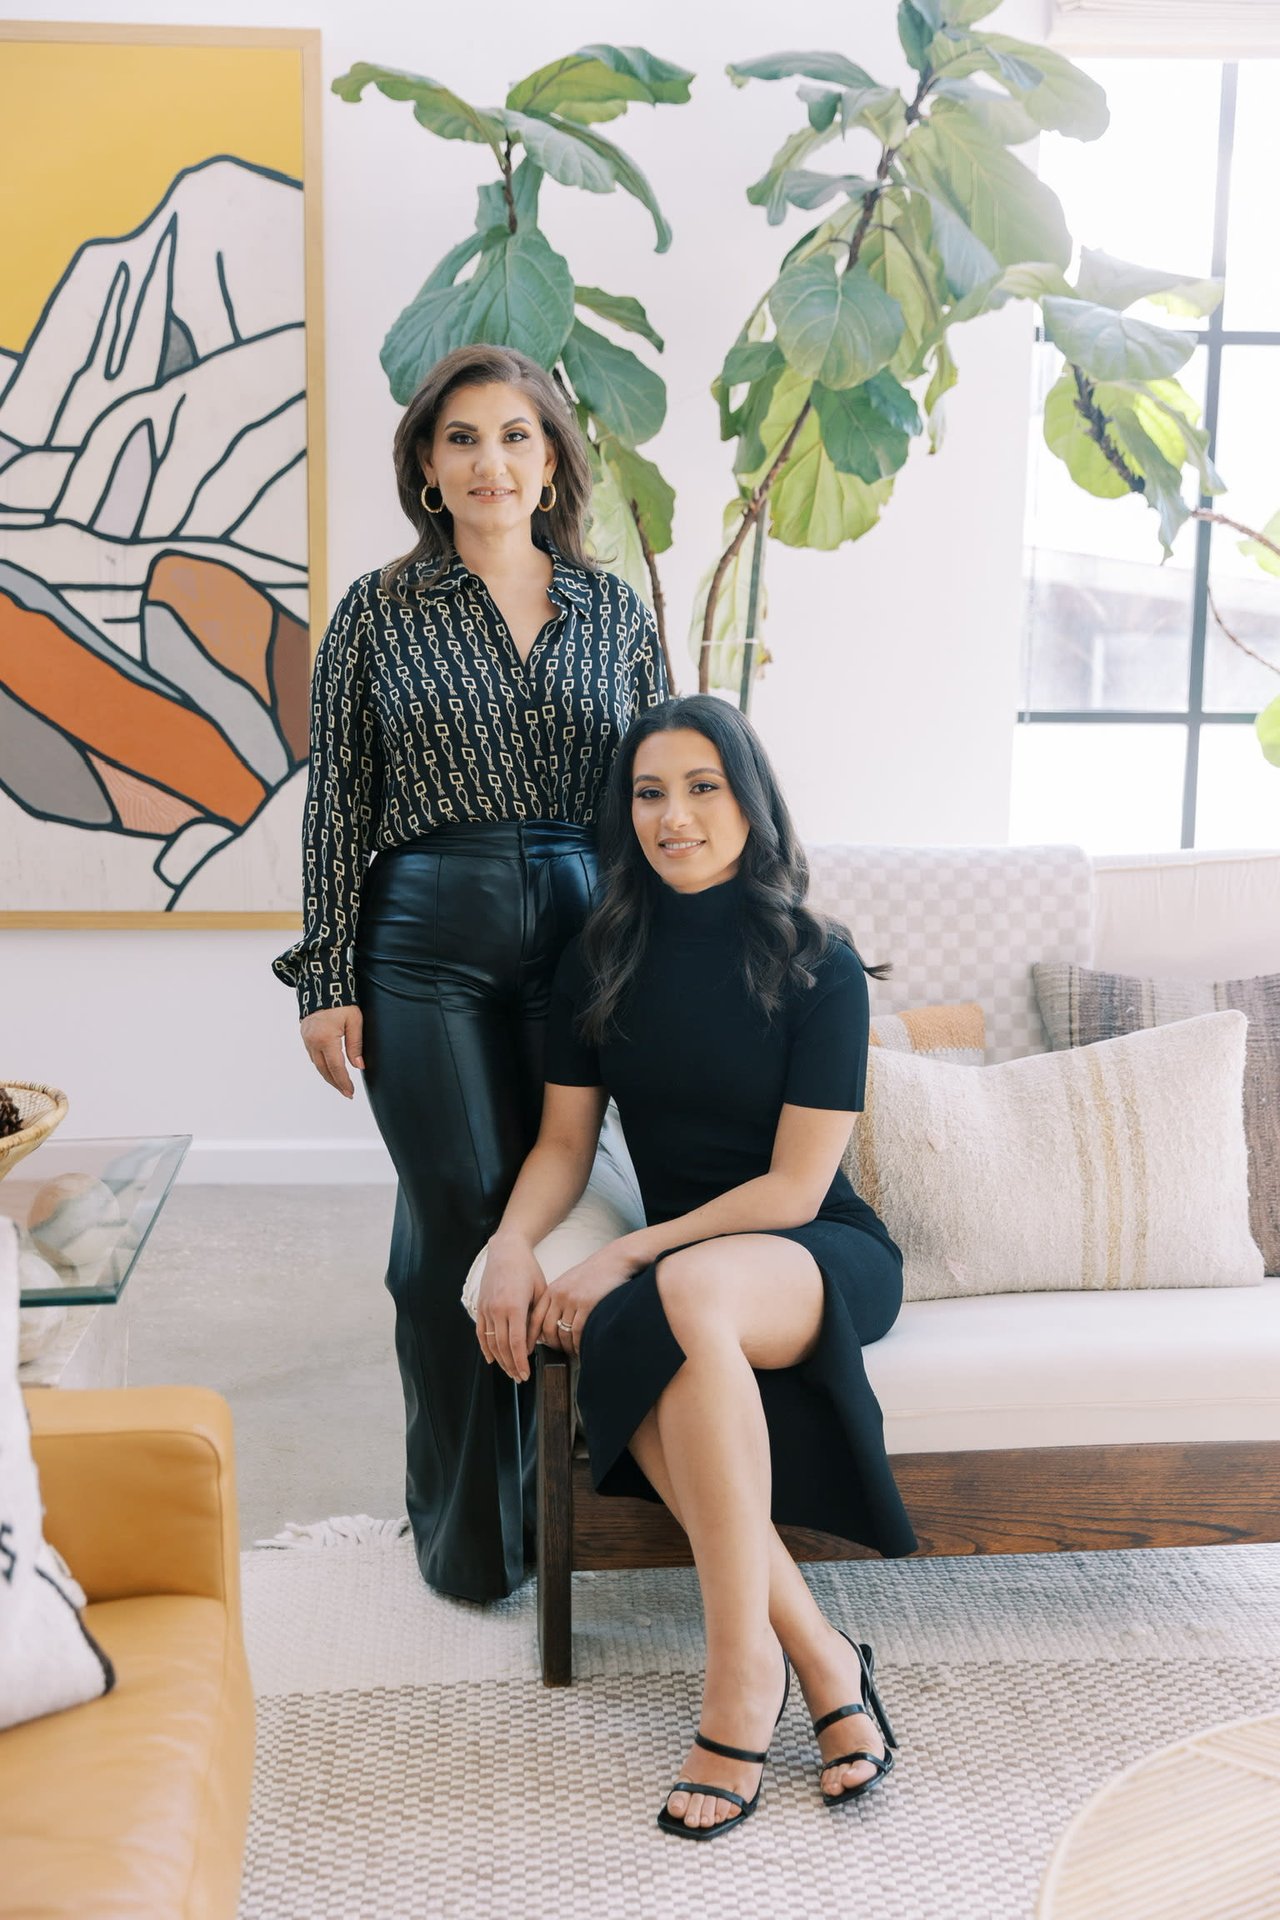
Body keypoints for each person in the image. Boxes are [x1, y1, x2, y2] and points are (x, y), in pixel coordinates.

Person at [475, 694, 915, 1839]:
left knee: (677, 1292)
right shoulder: (598, 959)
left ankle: (738, 1682)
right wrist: (513, 1245)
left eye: (702, 787)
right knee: (663, 1317)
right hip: (685, 1272)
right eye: (650, 793)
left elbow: (791, 1190)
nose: (675, 818)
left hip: (811, 1254)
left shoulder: (818, 961)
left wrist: (626, 1250)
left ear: (748, 802)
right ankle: (820, 1657)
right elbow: (564, 1145)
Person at [272, 344, 668, 1602]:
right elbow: (337, 796)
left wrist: (669, 955)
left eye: (513, 436)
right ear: (427, 468)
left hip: (579, 931)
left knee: (540, 1216)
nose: (488, 462)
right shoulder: (379, 612)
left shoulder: (613, 615)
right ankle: (464, 1538)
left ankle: (559, 1508)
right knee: (458, 1206)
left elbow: (653, 790)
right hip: (421, 939)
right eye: (460, 440)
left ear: (550, 460)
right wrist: (323, 973)